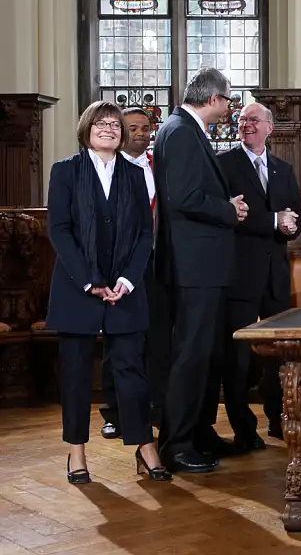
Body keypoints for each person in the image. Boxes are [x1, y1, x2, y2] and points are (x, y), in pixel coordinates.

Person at [46, 101, 171, 483]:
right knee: (77, 373)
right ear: (86, 129)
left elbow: (144, 234)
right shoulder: (65, 171)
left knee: (132, 372)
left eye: (114, 125)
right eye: (100, 123)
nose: (108, 129)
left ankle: (144, 446)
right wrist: (89, 281)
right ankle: (76, 453)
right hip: (76, 288)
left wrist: (128, 280)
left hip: (125, 289)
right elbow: (60, 230)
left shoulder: (135, 175)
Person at [153, 68, 249, 473]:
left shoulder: (185, 130)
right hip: (193, 266)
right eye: (228, 100)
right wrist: (229, 210)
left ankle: (198, 432)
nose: (230, 108)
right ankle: (175, 444)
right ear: (213, 98)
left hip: (203, 265)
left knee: (205, 353)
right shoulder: (179, 131)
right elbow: (185, 198)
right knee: (190, 355)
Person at [218, 102, 301, 450]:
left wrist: (291, 225)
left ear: (270, 127)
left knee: (277, 355)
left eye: (254, 120)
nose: (246, 124)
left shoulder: (283, 168)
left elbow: (295, 214)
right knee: (236, 357)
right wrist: (273, 220)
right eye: (242, 120)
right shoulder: (224, 164)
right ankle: (243, 428)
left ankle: (278, 419)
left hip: (275, 275)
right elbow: (228, 215)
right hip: (239, 273)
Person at [99, 107, 171, 438]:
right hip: (119, 268)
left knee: (157, 337)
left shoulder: (161, 166)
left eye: (146, 127)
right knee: (120, 340)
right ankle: (114, 411)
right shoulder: (106, 168)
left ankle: (153, 405)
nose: (140, 133)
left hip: (157, 264)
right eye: (133, 128)